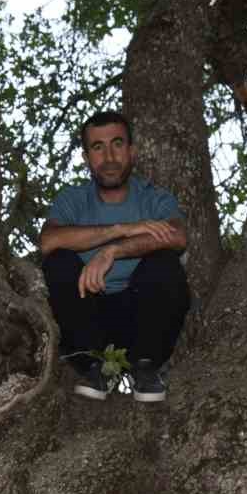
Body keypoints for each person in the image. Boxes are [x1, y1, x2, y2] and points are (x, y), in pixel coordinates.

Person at [39, 110, 190, 402]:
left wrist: (114, 250)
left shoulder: (154, 198)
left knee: (164, 262)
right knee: (58, 262)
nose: (109, 157)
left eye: (117, 144)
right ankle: (96, 367)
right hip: (87, 316)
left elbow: (177, 236)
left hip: (142, 316)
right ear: (86, 157)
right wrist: (121, 229)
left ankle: (145, 368)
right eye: (98, 147)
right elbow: (48, 241)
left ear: (132, 151)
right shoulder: (73, 199)